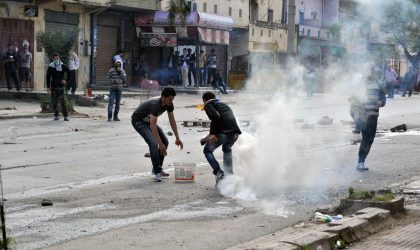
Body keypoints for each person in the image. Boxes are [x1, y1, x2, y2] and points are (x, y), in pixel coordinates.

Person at [131, 87, 183, 182]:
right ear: (163, 97)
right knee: (154, 143)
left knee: (165, 142)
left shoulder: (169, 104)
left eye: (172, 99)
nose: (171, 102)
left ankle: (158, 168)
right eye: (170, 99)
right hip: (139, 122)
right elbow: (153, 125)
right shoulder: (155, 104)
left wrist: (177, 137)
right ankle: (156, 171)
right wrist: (160, 144)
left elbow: (172, 120)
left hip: (148, 121)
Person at [200, 92, 241, 186]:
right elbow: (222, 121)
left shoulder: (208, 104)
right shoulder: (222, 104)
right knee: (227, 149)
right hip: (234, 134)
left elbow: (215, 117)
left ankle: (218, 171)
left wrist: (213, 134)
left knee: (207, 150)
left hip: (224, 133)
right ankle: (229, 177)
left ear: (204, 100)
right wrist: (207, 137)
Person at [355, 63, 386, 171]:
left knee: (370, 140)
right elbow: (354, 98)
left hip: (374, 115)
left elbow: (383, 97)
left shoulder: (378, 83)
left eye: (372, 70)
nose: (370, 72)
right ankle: (360, 162)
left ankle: (361, 161)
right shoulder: (361, 83)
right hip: (364, 116)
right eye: (369, 70)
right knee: (366, 138)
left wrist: (381, 102)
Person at [46, 53, 71, 121]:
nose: (56, 60)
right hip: (53, 87)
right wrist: (48, 87)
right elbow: (48, 77)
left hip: (61, 87)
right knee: (54, 103)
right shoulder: (51, 67)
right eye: (55, 58)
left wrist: (66, 81)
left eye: (57, 58)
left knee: (63, 102)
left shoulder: (63, 66)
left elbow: (69, 73)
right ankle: (56, 115)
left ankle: (65, 116)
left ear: (59, 58)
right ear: (53, 59)